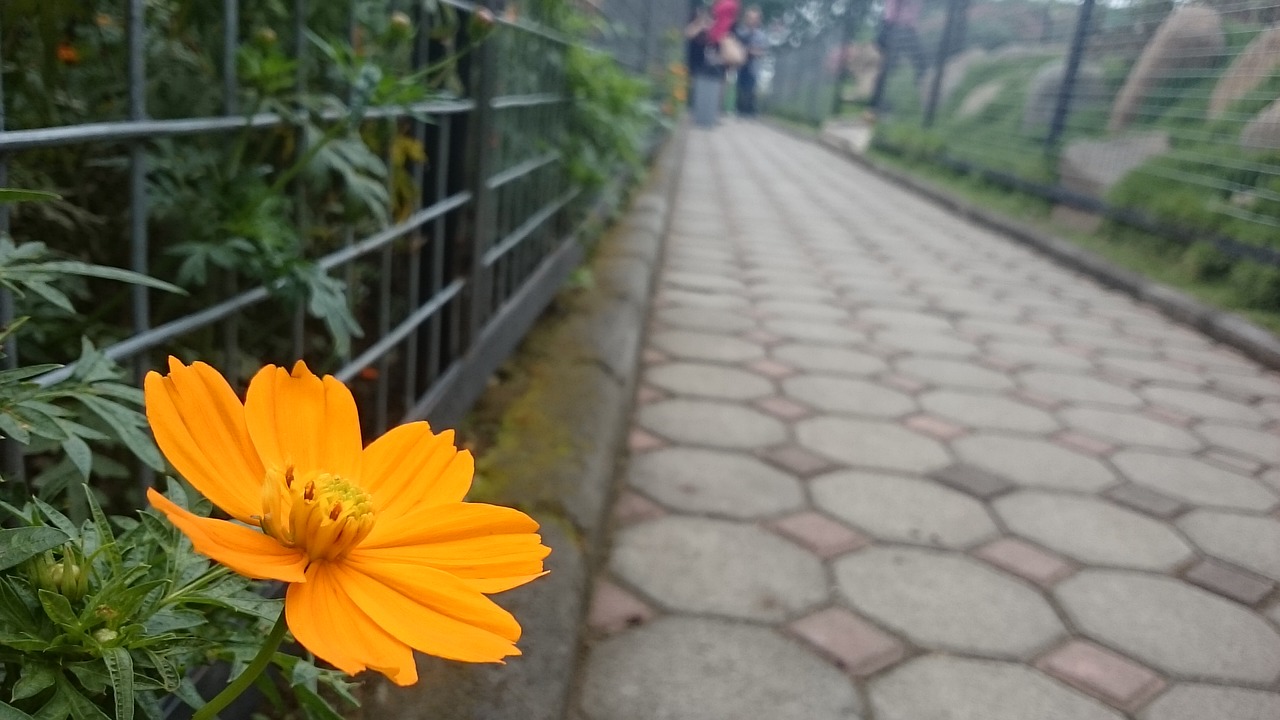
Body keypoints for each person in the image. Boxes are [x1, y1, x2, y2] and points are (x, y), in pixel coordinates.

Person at [868, 0, 926, 112]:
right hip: (894, 27)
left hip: (903, 28)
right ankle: (875, 105)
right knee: (888, 68)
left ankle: (876, 104)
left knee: (890, 68)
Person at [735, 6, 768, 117]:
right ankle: (739, 110)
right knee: (739, 86)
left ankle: (749, 111)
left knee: (750, 89)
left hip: (753, 67)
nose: (752, 20)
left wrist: (751, 51)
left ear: (758, 20)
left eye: (755, 18)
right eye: (750, 17)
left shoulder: (761, 36)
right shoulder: (740, 32)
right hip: (740, 65)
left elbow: (762, 52)